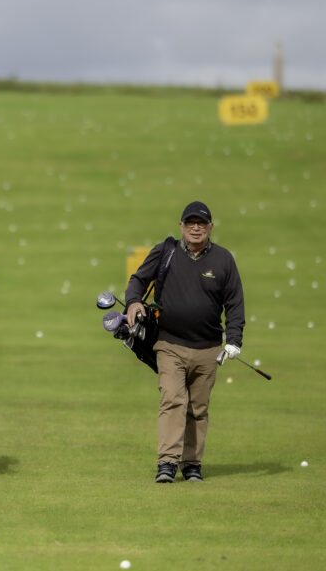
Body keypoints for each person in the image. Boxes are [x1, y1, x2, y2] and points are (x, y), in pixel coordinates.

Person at [125, 201, 245, 484]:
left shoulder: (224, 260)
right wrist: (133, 303)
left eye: (201, 223)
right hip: (169, 344)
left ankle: (191, 464)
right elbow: (138, 280)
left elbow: (235, 303)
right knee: (172, 400)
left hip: (208, 348)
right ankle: (167, 463)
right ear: (181, 226)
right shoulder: (165, 252)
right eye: (190, 222)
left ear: (210, 227)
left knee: (198, 408)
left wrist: (234, 340)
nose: (195, 228)